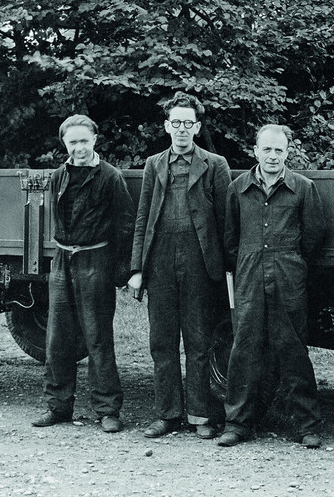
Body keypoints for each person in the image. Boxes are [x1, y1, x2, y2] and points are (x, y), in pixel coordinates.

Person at [128, 92, 231, 440]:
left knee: (199, 341)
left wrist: (225, 267)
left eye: (189, 123)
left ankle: (201, 415)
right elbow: (143, 218)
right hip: (159, 264)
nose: (182, 129)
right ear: (167, 126)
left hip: (200, 264)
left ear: (198, 127)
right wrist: (137, 269)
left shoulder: (216, 165)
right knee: (162, 342)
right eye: (176, 123)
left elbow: (224, 221)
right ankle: (167, 414)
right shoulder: (154, 164)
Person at [217, 125, 327, 449]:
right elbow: (230, 238)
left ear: (287, 152)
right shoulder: (238, 188)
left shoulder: (303, 189)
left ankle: (307, 425)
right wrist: (249, 263)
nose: (273, 156)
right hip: (249, 278)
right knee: (244, 351)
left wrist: (292, 263)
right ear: (255, 151)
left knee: (293, 352)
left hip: (288, 278)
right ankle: (237, 424)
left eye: (279, 150)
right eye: (267, 149)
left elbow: (314, 234)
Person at [32, 114, 133, 433]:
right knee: (57, 338)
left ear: (95, 141)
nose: (79, 148)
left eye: (84, 141)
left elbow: (126, 225)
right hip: (63, 262)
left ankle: (107, 410)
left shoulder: (110, 177)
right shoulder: (58, 177)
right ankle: (58, 406)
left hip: (96, 262)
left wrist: (119, 270)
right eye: (72, 142)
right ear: (64, 143)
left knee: (98, 338)